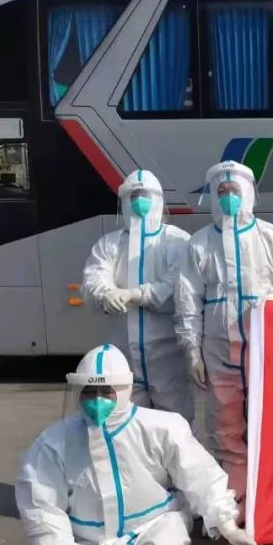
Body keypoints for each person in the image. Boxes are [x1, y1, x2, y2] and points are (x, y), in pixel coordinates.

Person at [15, 344, 260, 545]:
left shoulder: (161, 427)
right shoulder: (55, 442)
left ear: (125, 390)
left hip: (155, 524)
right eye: (89, 392)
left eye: (107, 392)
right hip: (93, 539)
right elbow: (41, 507)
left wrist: (227, 523)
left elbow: (200, 474)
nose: (97, 401)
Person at [175, 160, 273, 502]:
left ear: (248, 193)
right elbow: (188, 300)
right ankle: (233, 495)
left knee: (271, 416)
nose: (228, 197)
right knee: (224, 422)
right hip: (218, 348)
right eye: (221, 191)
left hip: (266, 343)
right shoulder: (200, 244)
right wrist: (192, 350)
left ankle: (272, 495)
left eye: (234, 190)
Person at [82, 170, 193, 422]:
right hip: (123, 355)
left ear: (158, 200)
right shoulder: (110, 244)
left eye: (145, 195)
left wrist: (137, 295)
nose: (139, 201)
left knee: (175, 423)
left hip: (167, 355)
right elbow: (94, 276)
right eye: (133, 196)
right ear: (123, 201)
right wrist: (106, 293)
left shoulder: (177, 241)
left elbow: (177, 286)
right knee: (126, 423)